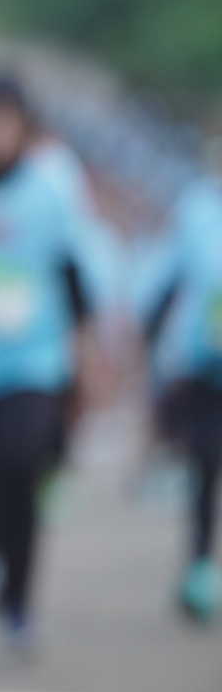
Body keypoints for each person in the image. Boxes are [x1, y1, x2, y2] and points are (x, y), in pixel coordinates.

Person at [0, 77, 95, 654]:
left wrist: (85, 358)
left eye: (9, 122)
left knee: (17, 466)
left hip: (30, 362)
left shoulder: (50, 191)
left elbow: (72, 273)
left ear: (27, 130)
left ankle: (16, 606)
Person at [138, 140, 222, 622]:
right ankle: (200, 565)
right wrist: (147, 334)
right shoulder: (197, 208)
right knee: (205, 465)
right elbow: (168, 276)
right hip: (203, 365)